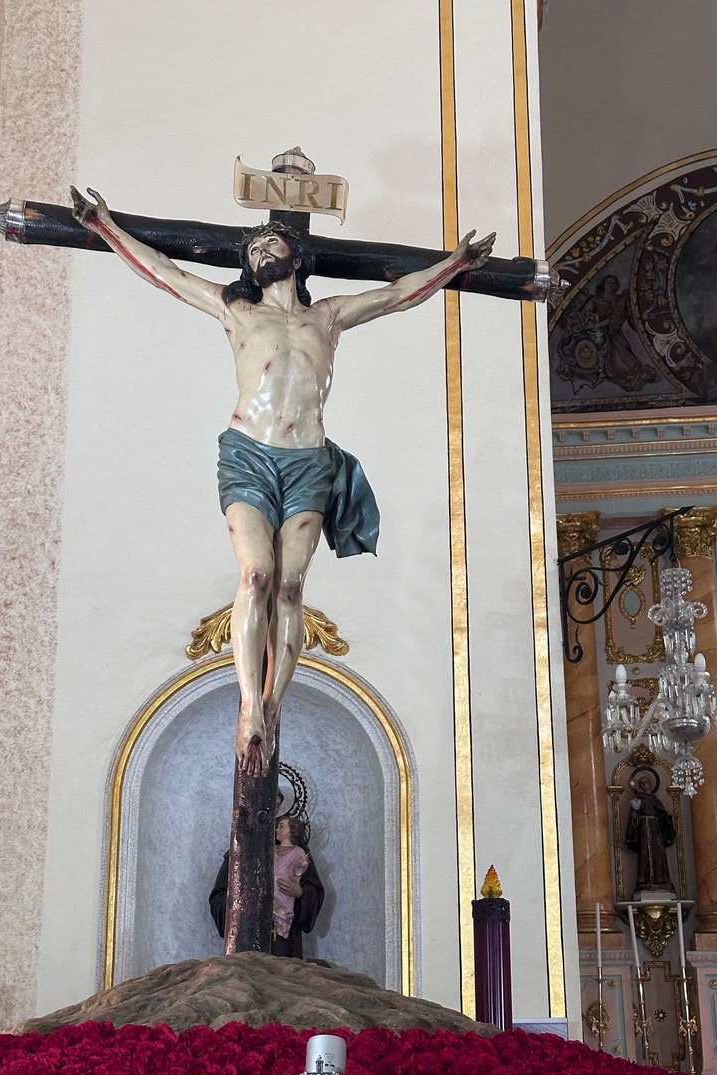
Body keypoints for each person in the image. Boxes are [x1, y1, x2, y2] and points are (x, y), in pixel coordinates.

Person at [71, 186, 495, 776]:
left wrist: (457, 264)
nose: (259, 249)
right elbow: (165, 273)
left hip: (307, 461)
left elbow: (399, 296)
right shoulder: (236, 310)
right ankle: (248, 704)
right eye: (253, 247)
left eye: (271, 241)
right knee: (257, 573)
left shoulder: (329, 316)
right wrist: (106, 228)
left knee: (290, 586)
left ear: (296, 258)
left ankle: (271, 704)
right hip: (248, 454)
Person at [209, 815, 325, 958]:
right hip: (247, 932)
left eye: (277, 803)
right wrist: (240, 900)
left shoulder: (297, 851)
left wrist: (300, 893)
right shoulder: (242, 846)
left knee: (282, 973)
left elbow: (313, 891)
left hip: (283, 938)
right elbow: (219, 895)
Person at [624, 770, 676, 896]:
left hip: (656, 829)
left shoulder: (655, 799)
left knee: (658, 854)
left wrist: (667, 817)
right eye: (641, 782)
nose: (644, 784)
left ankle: (661, 878)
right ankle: (646, 879)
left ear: (651, 783)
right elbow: (633, 819)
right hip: (644, 830)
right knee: (646, 854)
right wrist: (635, 812)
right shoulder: (637, 800)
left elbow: (661, 814)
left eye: (646, 781)